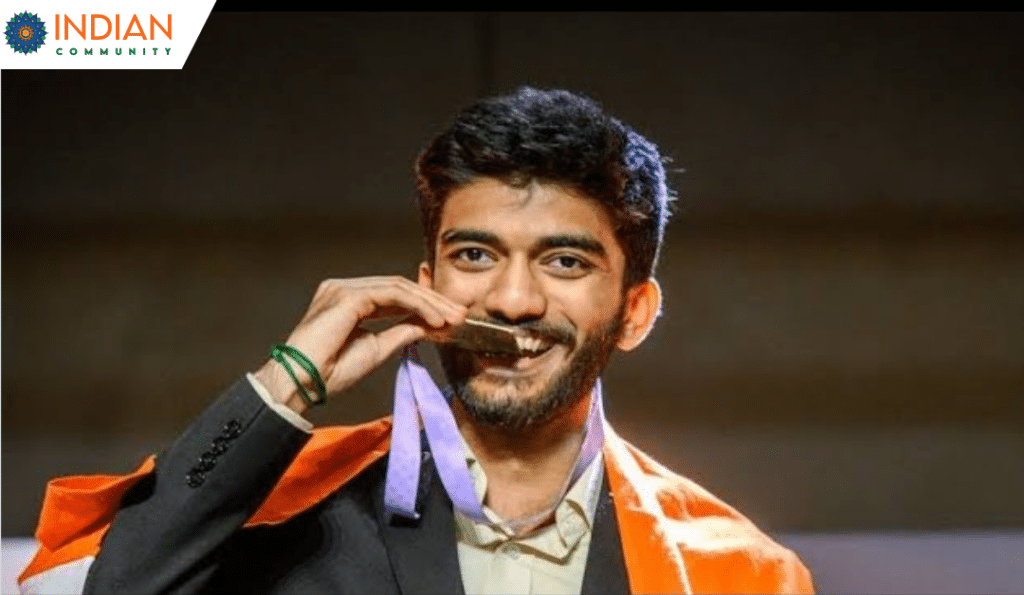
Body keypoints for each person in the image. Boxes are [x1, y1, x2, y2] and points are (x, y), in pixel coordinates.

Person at [18, 87, 814, 595]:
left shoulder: (735, 574)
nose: (511, 298)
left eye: (564, 260)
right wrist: (285, 383)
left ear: (636, 311)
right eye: (475, 254)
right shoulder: (283, 512)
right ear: (425, 282)